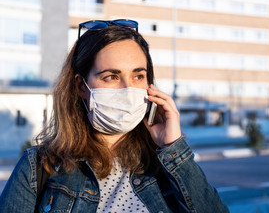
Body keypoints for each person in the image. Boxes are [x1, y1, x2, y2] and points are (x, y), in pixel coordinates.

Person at [0, 19, 229, 213]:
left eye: (138, 76)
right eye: (111, 77)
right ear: (81, 86)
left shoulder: (166, 164)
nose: (128, 88)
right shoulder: (38, 166)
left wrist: (173, 147)